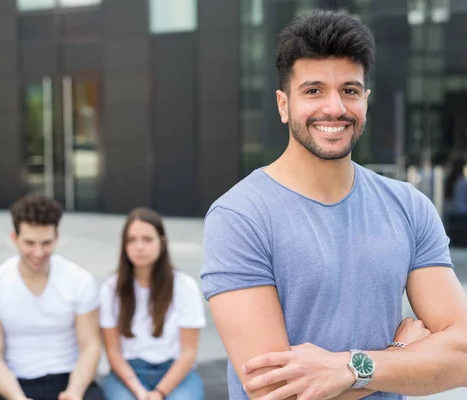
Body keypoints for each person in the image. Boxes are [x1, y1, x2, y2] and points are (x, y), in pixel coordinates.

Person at [200, 9, 467, 400]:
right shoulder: (240, 217)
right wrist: (400, 356)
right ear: (283, 104)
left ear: (365, 99)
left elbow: (461, 356)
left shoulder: (409, 206)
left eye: (350, 90)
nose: (335, 108)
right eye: (313, 90)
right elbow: (276, 391)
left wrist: (348, 370)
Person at [0, 193, 105, 400]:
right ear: (14, 238)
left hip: (70, 378)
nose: (38, 252)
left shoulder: (80, 281)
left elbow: (90, 345)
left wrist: (74, 392)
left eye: (46, 243)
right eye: (29, 243)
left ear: (57, 237)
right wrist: (17, 397)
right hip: (17, 382)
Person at [100, 208, 206, 400]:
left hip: (175, 373)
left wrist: (159, 393)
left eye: (147, 239)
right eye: (132, 240)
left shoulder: (184, 286)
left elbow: (188, 353)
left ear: (162, 242)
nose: (139, 246)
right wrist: (139, 391)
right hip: (128, 373)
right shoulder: (111, 288)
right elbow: (113, 352)